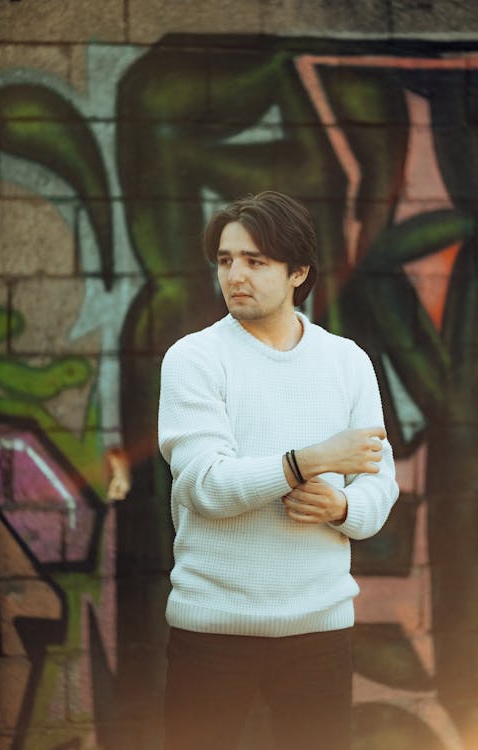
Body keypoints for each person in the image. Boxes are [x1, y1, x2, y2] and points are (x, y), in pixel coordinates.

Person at [158, 191, 399, 750]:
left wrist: (343, 508)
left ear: (298, 272)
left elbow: (378, 485)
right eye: (225, 260)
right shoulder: (194, 359)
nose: (235, 275)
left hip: (320, 631)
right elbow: (206, 488)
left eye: (255, 261)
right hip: (213, 629)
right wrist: (307, 463)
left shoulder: (347, 361)